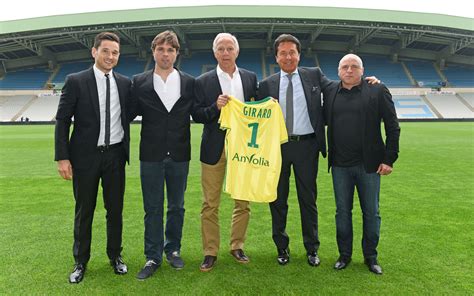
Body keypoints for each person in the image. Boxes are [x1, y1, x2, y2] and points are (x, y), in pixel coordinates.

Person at [258, 34, 380, 267]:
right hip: (277, 149)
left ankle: (311, 249)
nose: (288, 56)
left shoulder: (313, 75)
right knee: (278, 200)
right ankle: (281, 247)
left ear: (299, 55)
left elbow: (340, 86)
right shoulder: (266, 85)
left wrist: (365, 81)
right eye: (283, 53)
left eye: (292, 52)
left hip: (307, 146)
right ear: (276, 57)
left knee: (308, 199)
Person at [55, 32, 131, 284]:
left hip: (115, 156)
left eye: (115, 52)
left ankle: (115, 256)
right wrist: (62, 158)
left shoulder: (124, 83)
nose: (110, 56)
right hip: (85, 158)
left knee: (115, 210)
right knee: (84, 210)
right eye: (106, 51)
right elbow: (63, 120)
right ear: (94, 51)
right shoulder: (76, 81)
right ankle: (80, 261)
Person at [323, 54, 400, 275]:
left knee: (371, 213)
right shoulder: (330, 91)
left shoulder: (377, 89)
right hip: (339, 165)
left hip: (370, 165)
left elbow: (392, 126)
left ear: (362, 70)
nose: (349, 70)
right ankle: (344, 255)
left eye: (354, 66)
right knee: (342, 213)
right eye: (345, 67)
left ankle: (371, 257)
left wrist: (389, 159)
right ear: (338, 71)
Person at [129, 31, 196, 280]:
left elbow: (199, 112)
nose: (165, 54)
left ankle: (173, 249)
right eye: (161, 49)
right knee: (153, 208)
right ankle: (153, 256)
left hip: (180, 154)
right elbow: (126, 111)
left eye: (170, 50)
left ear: (176, 53)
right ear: (153, 51)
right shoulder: (139, 81)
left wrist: (218, 106)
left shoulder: (189, 82)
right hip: (151, 155)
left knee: (177, 207)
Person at [193, 33, 258, 271]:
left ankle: (237, 245)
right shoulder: (202, 81)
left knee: (243, 201)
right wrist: (215, 107)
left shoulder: (250, 78)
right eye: (221, 48)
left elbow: (257, 109)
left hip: (244, 147)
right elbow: (196, 114)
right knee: (210, 203)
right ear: (215, 53)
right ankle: (210, 251)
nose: (225, 52)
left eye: (230, 48)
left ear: (237, 52)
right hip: (214, 148)